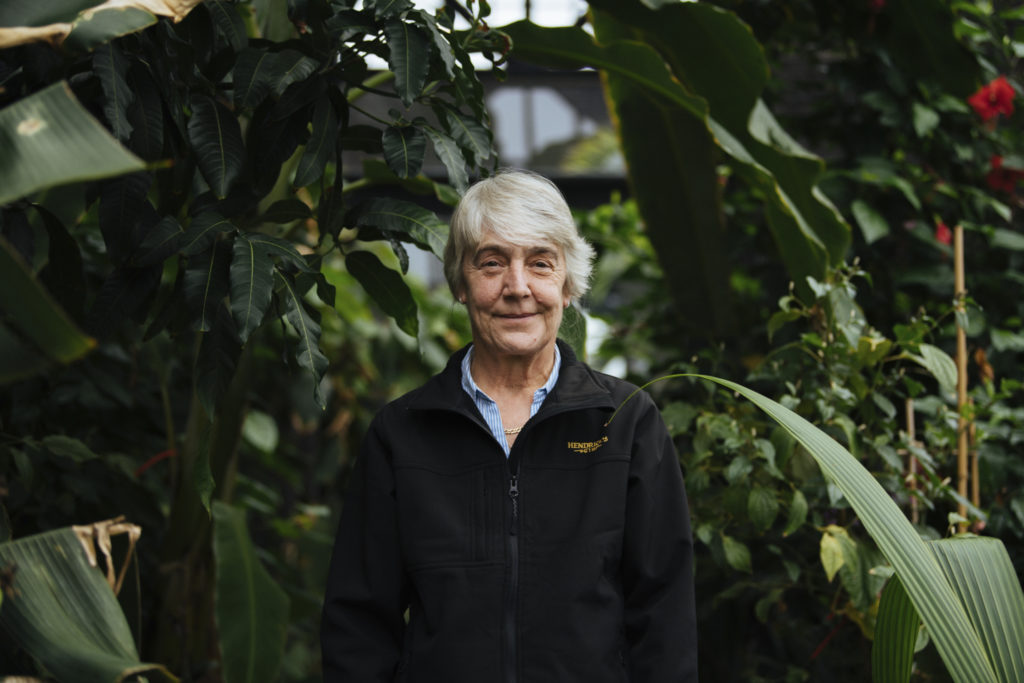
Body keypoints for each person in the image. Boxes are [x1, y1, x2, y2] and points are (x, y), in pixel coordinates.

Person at [321, 170, 697, 682]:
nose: (517, 288)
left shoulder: (626, 421)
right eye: (492, 263)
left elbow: (665, 616)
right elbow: (359, 625)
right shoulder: (402, 433)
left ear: (567, 286)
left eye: (540, 263)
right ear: (460, 284)